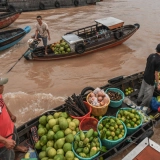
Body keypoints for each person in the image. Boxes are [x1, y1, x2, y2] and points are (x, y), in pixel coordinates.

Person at [0, 77, 28, 160]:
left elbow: (2, 103)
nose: (3, 87)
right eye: (1, 85)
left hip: (9, 128)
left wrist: (10, 114)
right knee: (8, 156)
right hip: (3, 141)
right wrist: (5, 141)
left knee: (15, 138)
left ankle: (16, 147)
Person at [137, 44, 160, 109]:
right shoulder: (159, 61)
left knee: (142, 90)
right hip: (151, 81)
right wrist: (158, 84)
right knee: (148, 96)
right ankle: (142, 108)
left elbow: (148, 65)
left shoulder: (151, 55)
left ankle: (138, 101)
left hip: (145, 77)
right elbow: (156, 74)